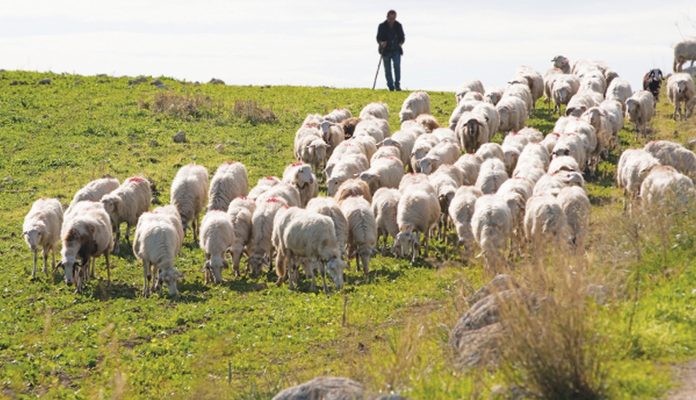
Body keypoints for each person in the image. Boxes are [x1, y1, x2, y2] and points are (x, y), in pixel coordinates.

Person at [376, 10, 405, 91]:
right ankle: (391, 87)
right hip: (385, 51)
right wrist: (381, 43)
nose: (392, 20)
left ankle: (397, 86)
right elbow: (378, 38)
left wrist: (400, 43)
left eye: (394, 18)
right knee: (387, 70)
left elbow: (402, 37)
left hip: (396, 50)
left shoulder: (398, 25)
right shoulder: (381, 26)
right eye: (391, 18)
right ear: (387, 17)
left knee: (397, 67)